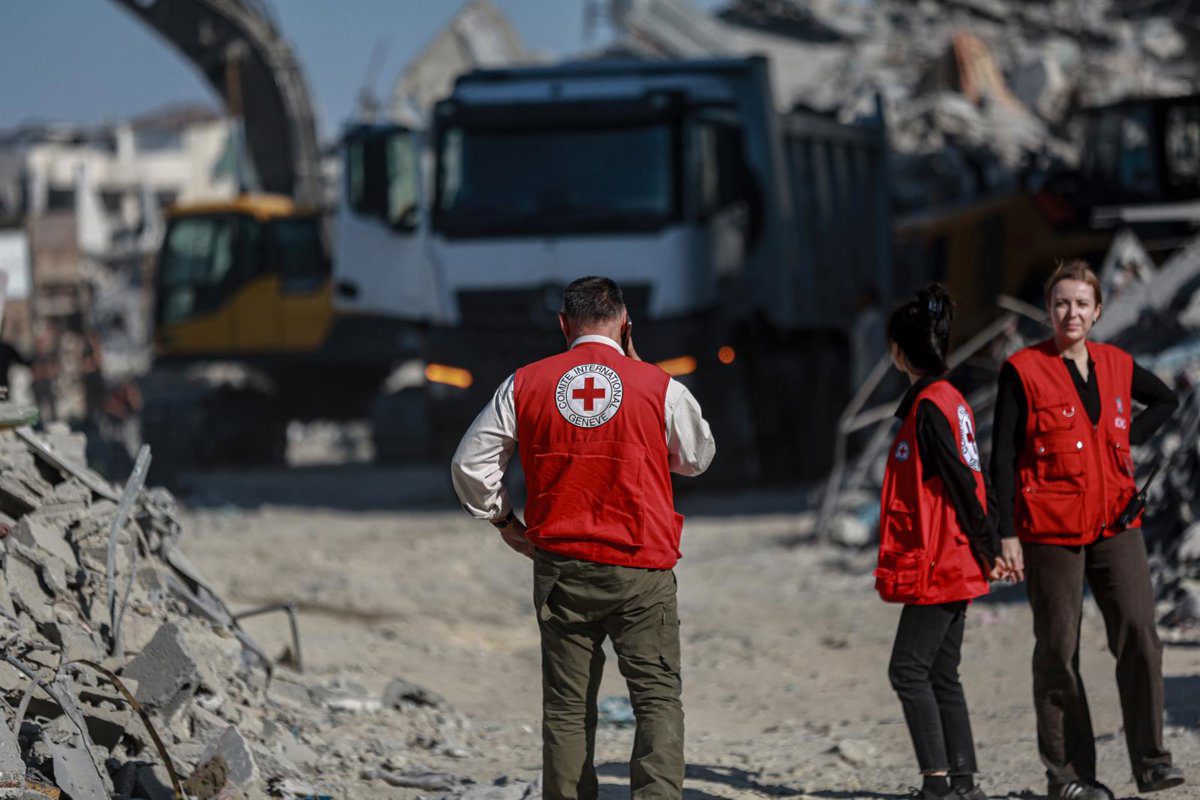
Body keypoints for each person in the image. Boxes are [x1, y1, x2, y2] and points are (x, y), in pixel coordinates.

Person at [450, 276, 715, 800]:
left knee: (567, 707)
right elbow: (696, 458)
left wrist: (505, 522)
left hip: (561, 567)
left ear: (563, 325)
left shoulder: (524, 382)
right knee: (656, 699)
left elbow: (470, 464)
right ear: (625, 324)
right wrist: (641, 371)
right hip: (641, 568)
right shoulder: (658, 385)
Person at [991, 260, 1184, 800]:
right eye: (1061, 303)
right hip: (1050, 530)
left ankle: (1152, 762)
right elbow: (1002, 456)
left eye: (1081, 303)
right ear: (1048, 310)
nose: (1070, 313)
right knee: (1058, 649)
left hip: (1117, 523)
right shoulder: (1023, 370)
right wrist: (1006, 533)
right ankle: (1069, 777)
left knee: (1140, 634)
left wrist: (1132, 437)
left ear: (1097, 311)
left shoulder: (1117, 363)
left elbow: (1166, 399)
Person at [875, 284, 1004, 800]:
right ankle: (963, 783)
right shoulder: (951, 399)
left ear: (897, 352)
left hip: (943, 561)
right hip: (956, 556)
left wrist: (990, 547)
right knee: (942, 672)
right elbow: (977, 476)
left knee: (907, 670)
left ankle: (936, 785)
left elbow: (961, 482)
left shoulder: (929, 407)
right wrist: (989, 544)